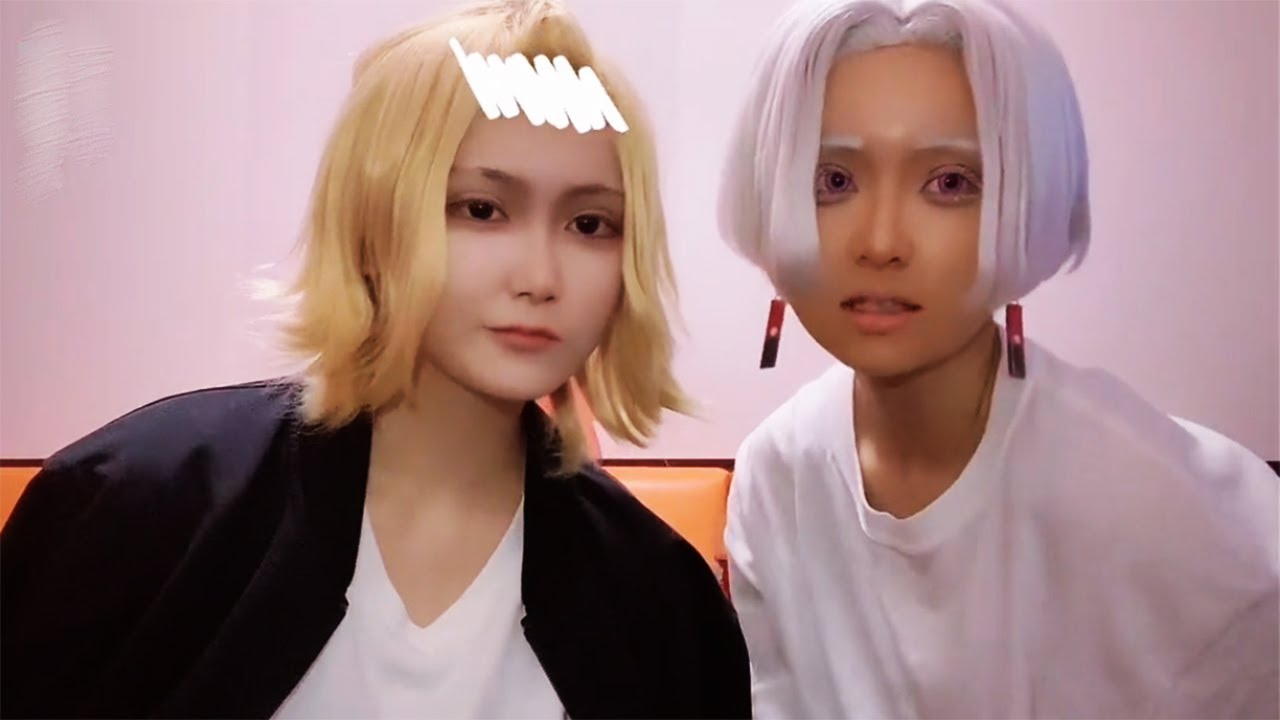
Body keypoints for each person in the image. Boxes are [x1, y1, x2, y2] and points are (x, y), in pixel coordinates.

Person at [0, 1, 752, 718]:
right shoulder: (137, 508)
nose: (540, 276)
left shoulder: (660, 600)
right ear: (371, 221)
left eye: (590, 224)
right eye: (481, 209)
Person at [716, 0, 1279, 717]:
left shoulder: (1157, 501)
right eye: (833, 182)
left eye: (950, 183)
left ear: (1027, 198)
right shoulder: (776, 476)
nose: (881, 242)